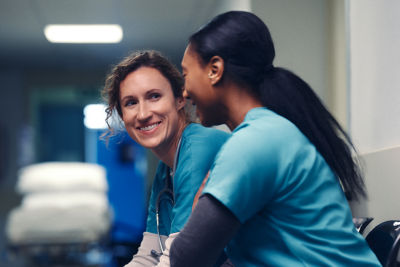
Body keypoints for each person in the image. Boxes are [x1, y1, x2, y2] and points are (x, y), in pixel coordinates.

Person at [169, 11, 381, 266]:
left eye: (185, 75)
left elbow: (186, 257)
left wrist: (198, 203)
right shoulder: (269, 131)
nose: (184, 91)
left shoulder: (253, 142)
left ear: (215, 70)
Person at [102, 50, 230, 266]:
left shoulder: (198, 148)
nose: (143, 114)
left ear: (179, 99)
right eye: (131, 103)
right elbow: (149, 255)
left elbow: (178, 259)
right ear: (122, 116)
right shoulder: (165, 171)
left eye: (154, 96)